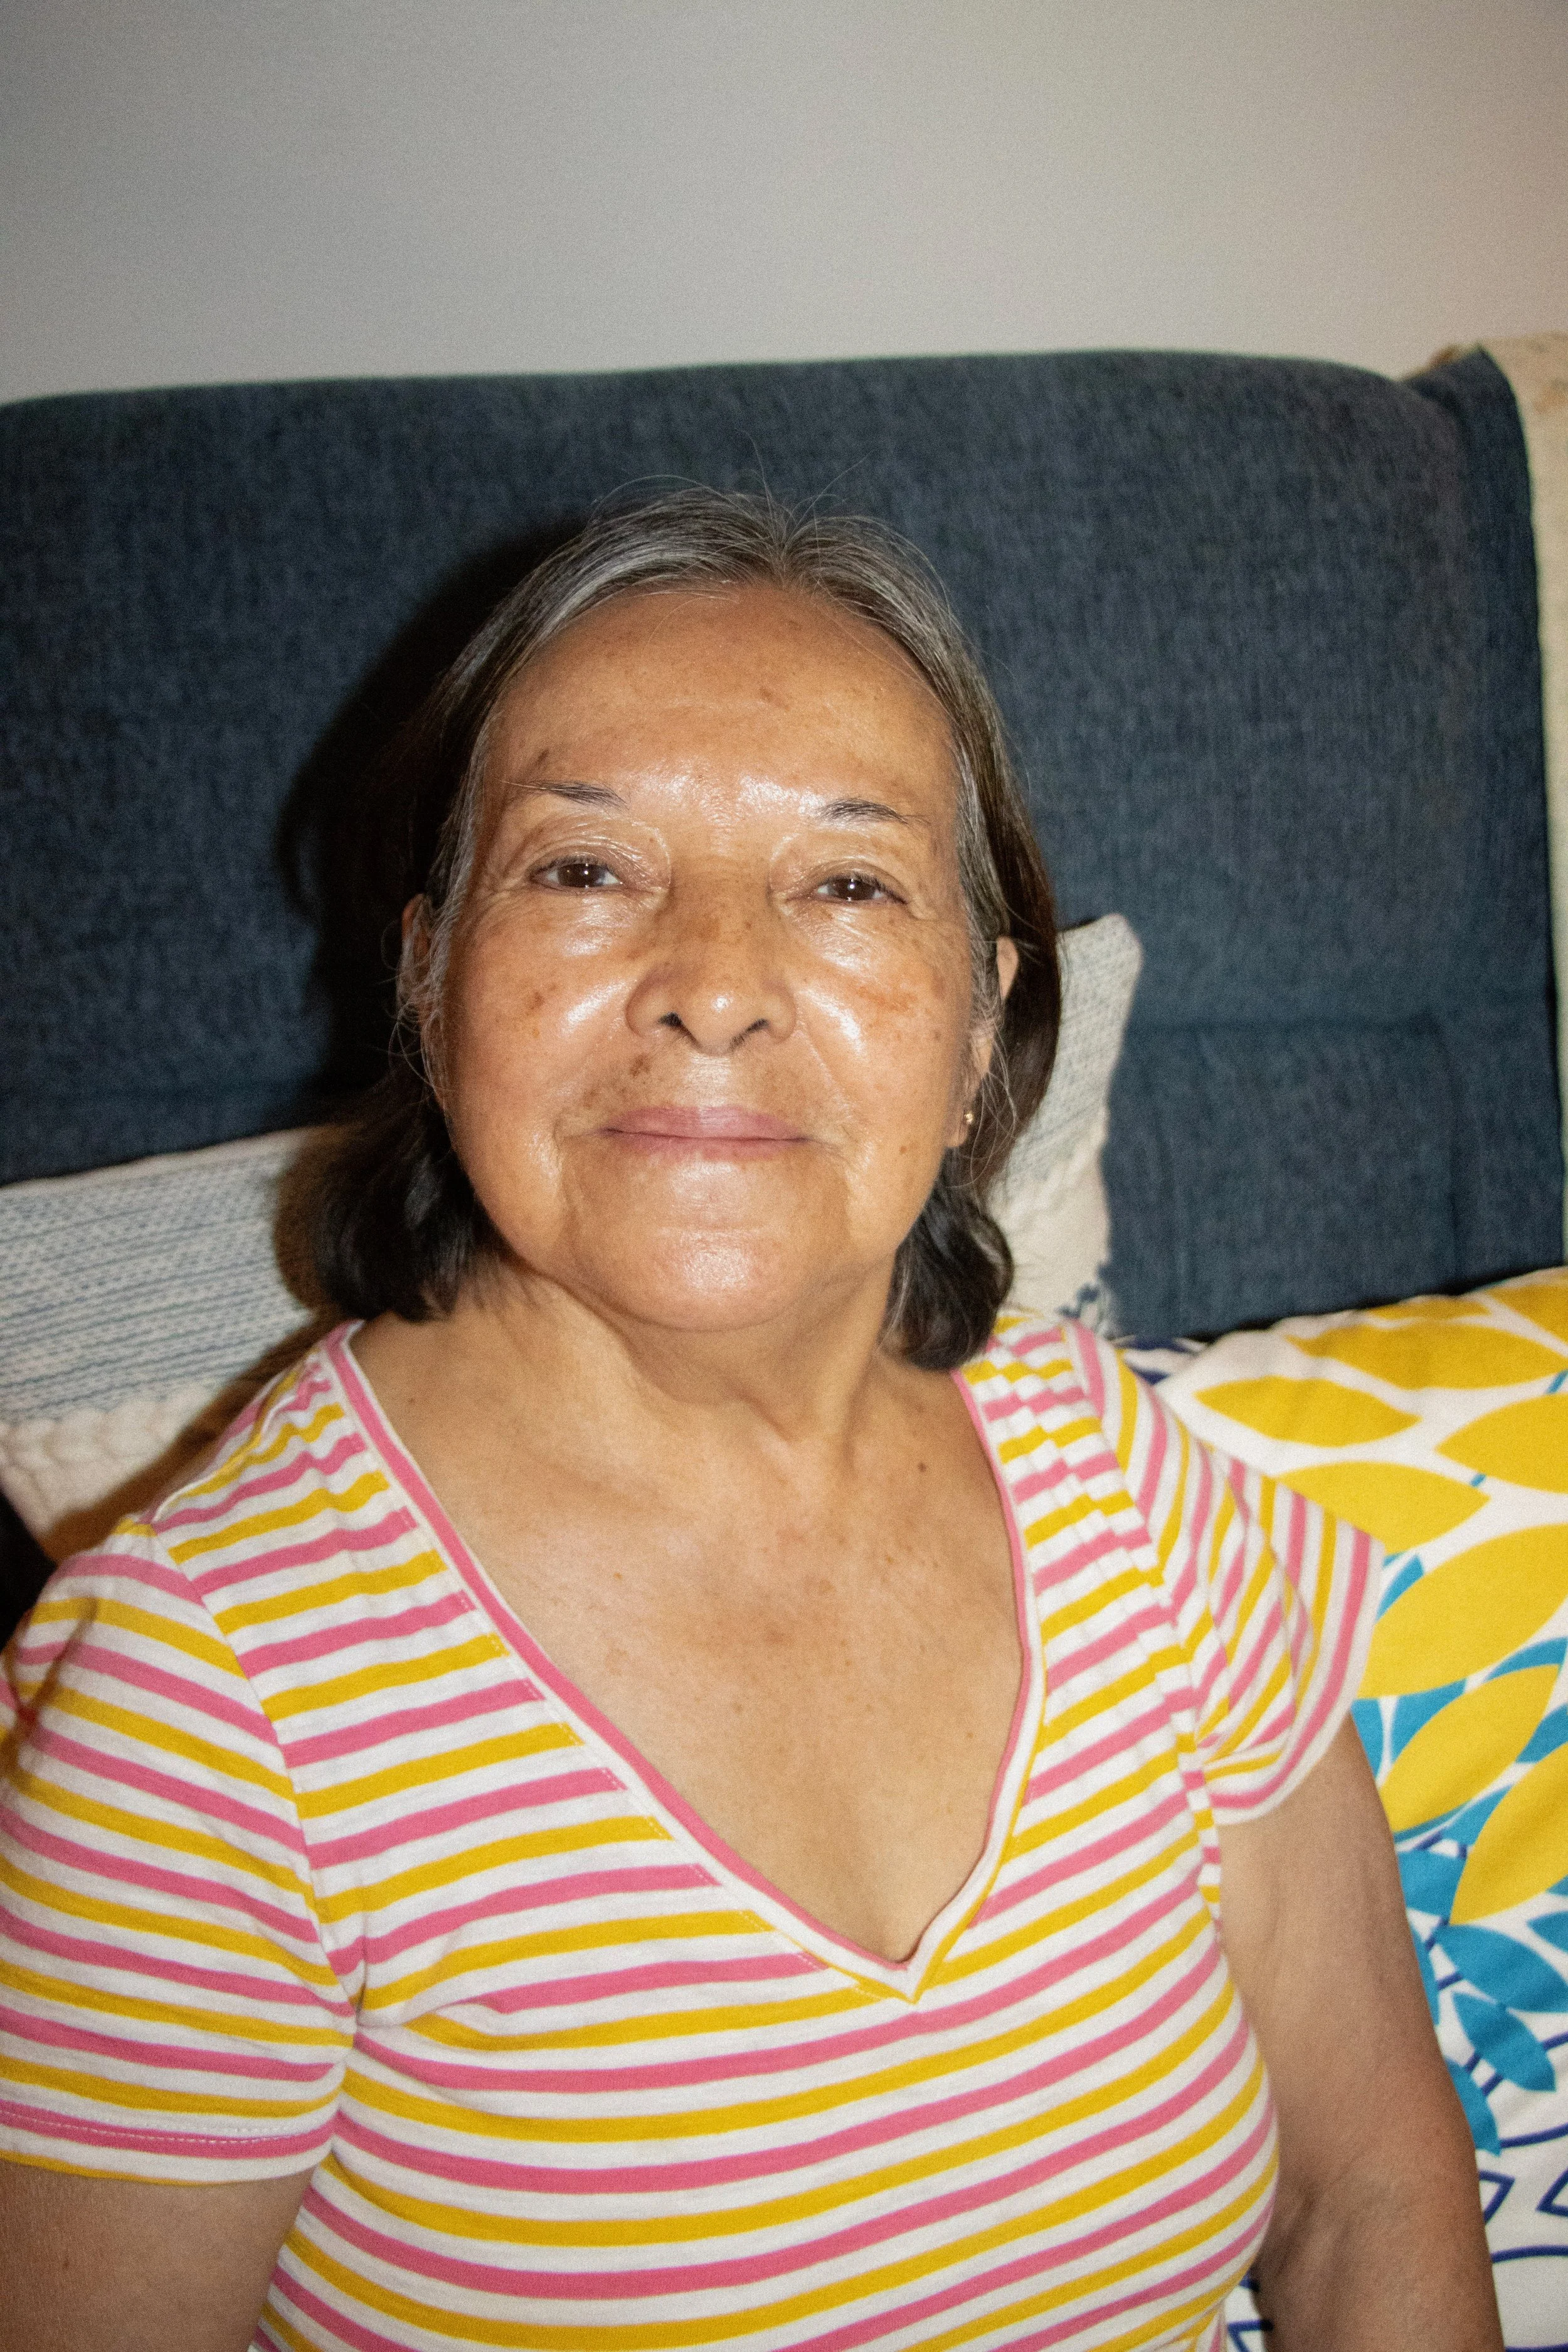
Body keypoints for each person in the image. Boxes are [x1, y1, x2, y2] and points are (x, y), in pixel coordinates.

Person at [0, 492, 1499, 2352]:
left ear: (975, 1031)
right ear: (429, 971)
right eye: (582, 870)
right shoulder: (201, 1701)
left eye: (848, 881)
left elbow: (1368, 2190)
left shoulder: (1128, 1485)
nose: (712, 982)